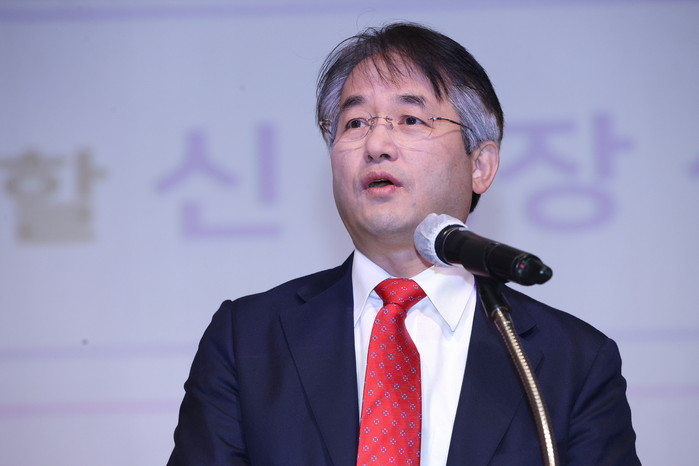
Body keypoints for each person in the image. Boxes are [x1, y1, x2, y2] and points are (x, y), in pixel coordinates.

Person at [168, 22, 639, 465]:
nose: (376, 143)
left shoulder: (573, 362)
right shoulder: (248, 340)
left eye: (410, 119)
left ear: (480, 165)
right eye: (355, 123)